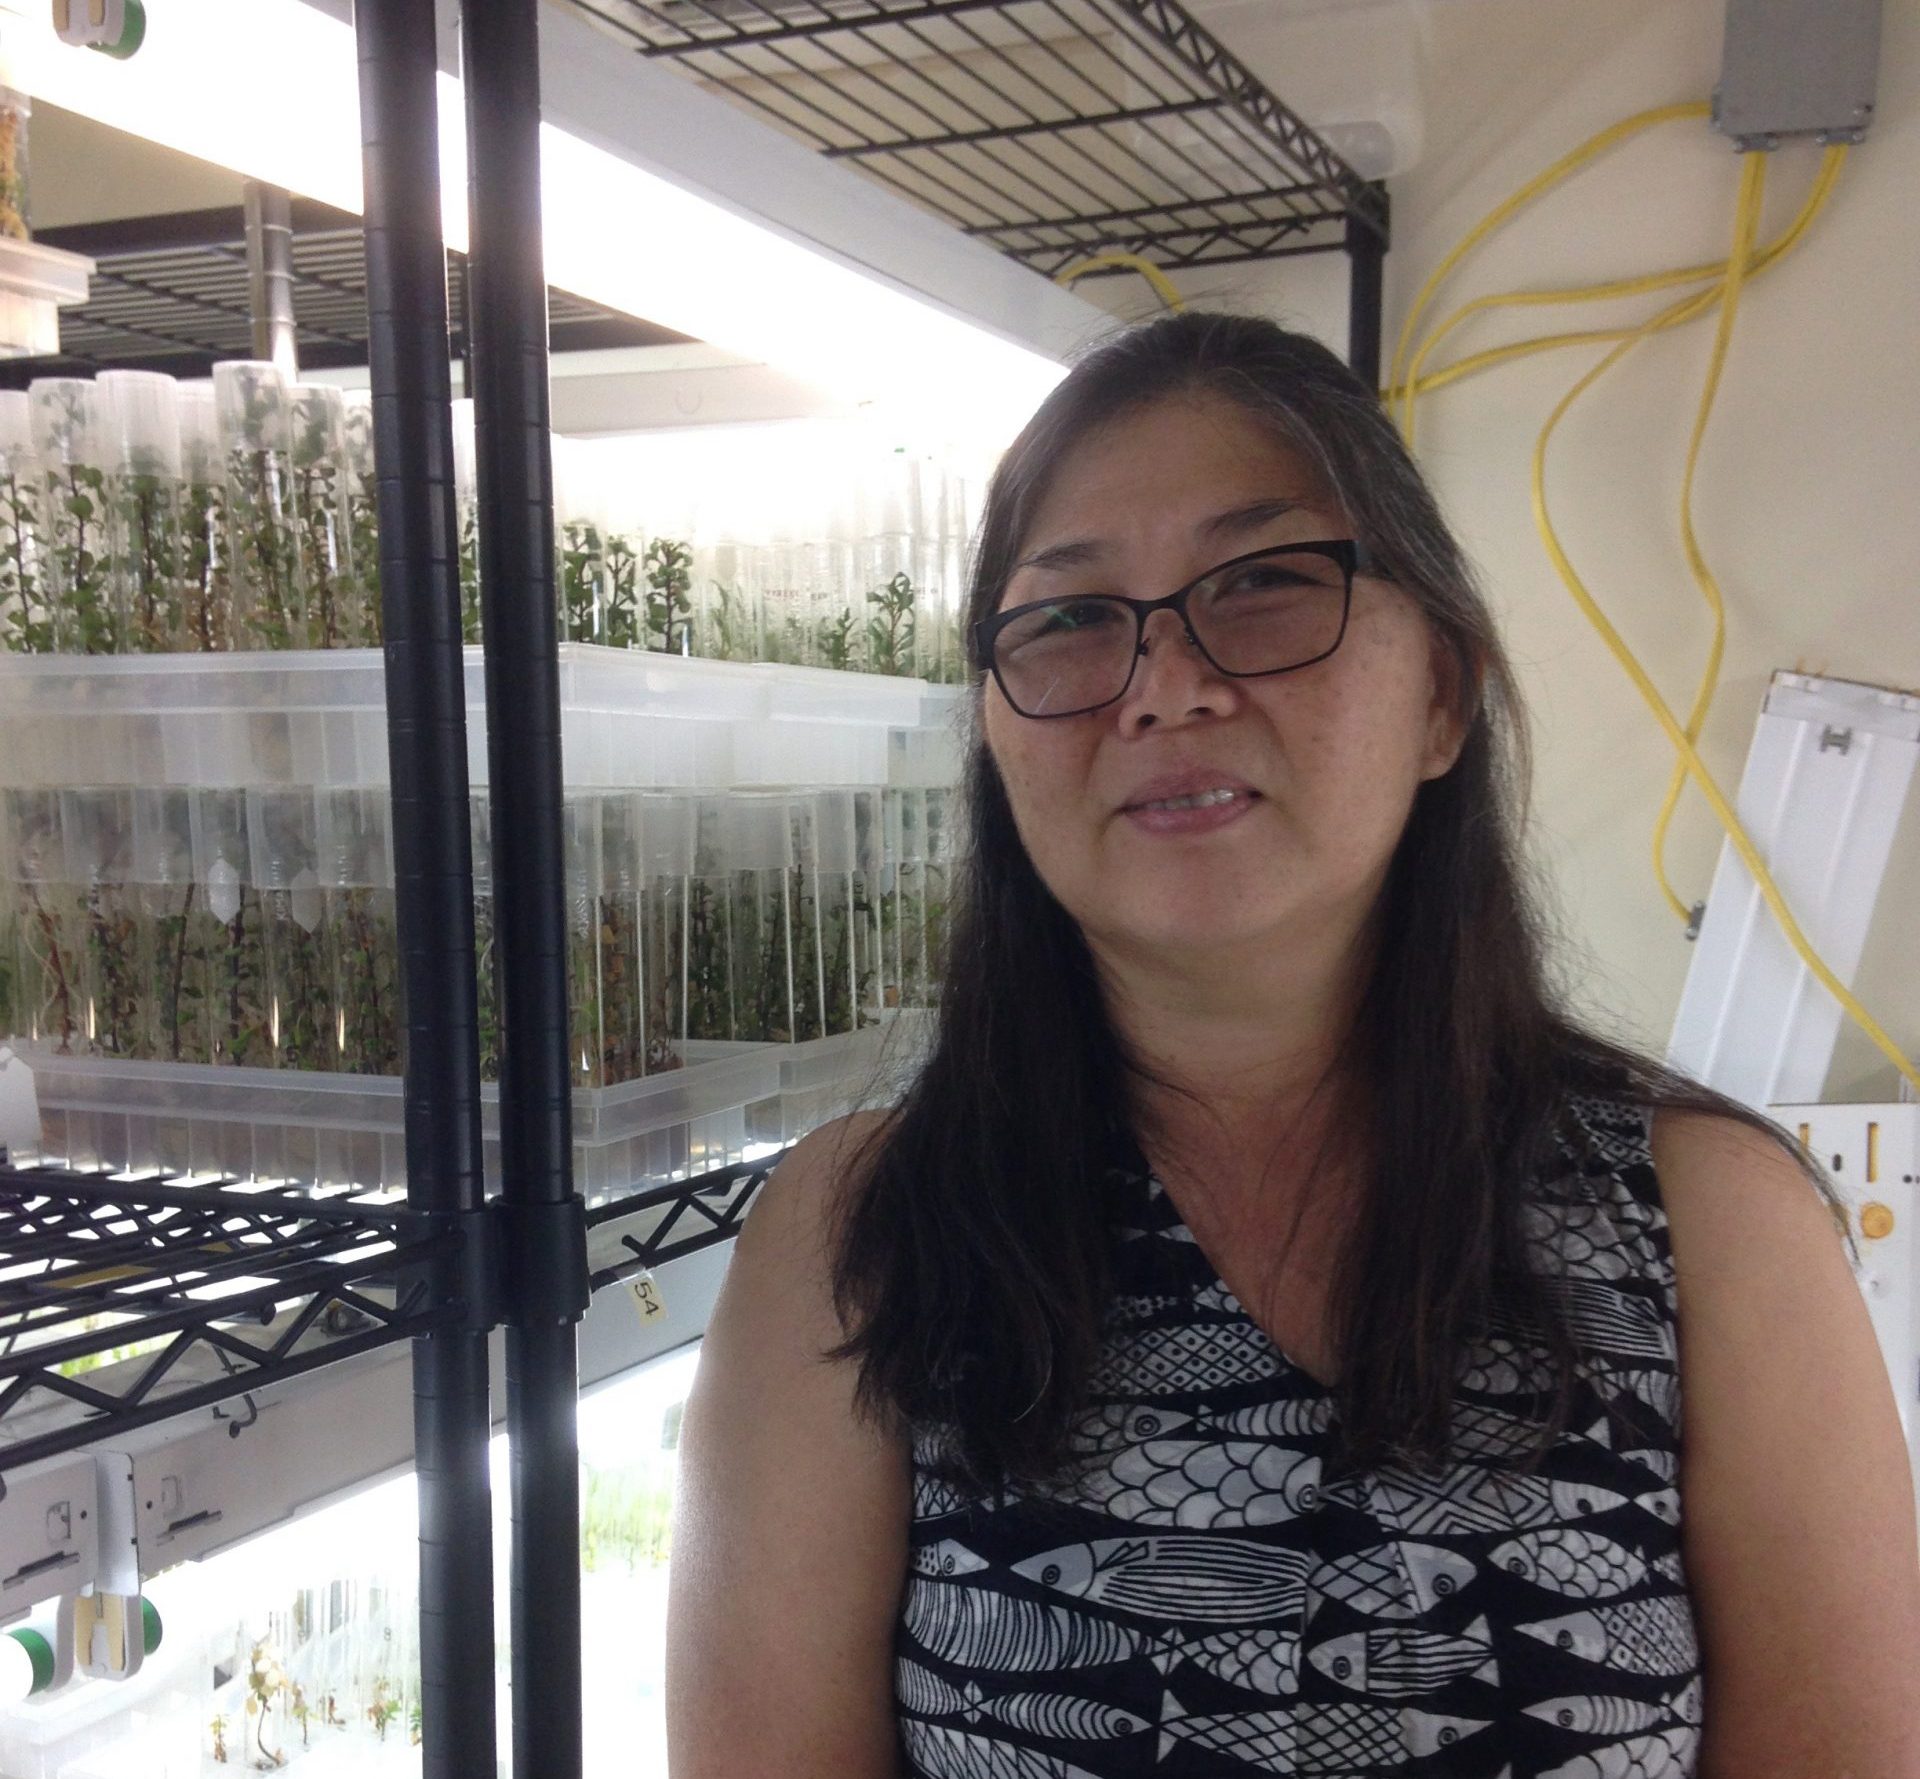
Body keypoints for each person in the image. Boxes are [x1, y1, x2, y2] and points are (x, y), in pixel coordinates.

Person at [665, 312, 1920, 1778]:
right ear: (996, 740)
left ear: (1443, 693)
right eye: (1069, 617)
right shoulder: (856, 1235)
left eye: (1262, 585)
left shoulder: (1711, 1224)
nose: (1163, 684)